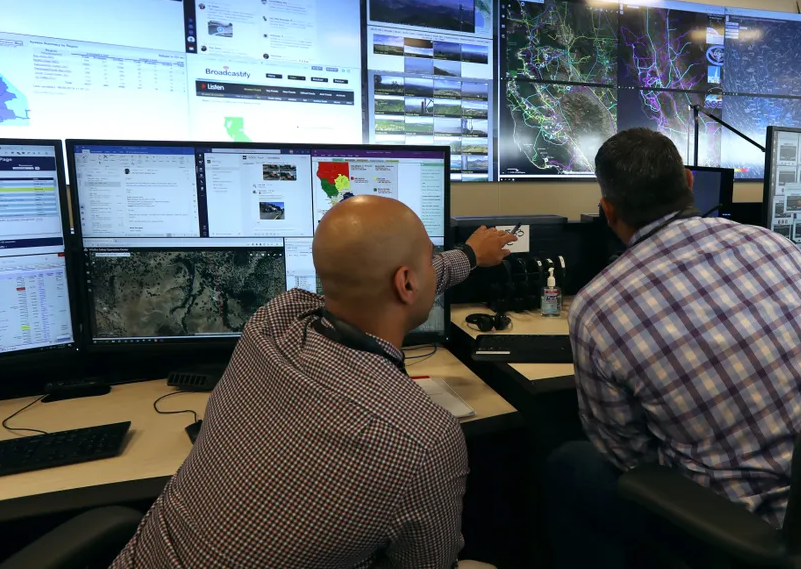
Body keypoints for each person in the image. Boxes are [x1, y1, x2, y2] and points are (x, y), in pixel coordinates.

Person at [112, 197, 515, 568]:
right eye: (430, 259)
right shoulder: (422, 439)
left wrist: (468, 257)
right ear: (407, 282)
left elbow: (392, 280)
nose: (434, 266)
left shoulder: (271, 324)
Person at [546, 129, 801, 568]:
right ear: (690, 182)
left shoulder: (596, 309)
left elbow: (628, 459)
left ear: (608, 211)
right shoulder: (777, 246)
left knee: (570, 464)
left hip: (753, 538)